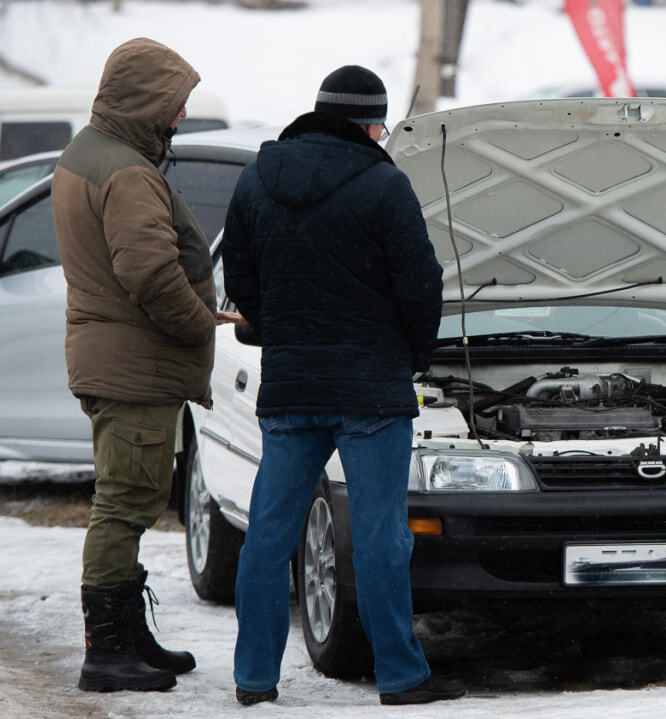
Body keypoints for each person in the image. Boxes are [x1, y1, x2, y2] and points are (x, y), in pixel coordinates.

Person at [222, 65, 460, 707]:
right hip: (370, 393)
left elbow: (240, 281)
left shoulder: (255, 180)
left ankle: (254, 678)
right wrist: (410, 355)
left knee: (269, 535)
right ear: (370, 124)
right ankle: (403, 678)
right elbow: (420, 282)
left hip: (293, 386)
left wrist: (278, 328)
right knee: (382, 536)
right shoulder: (385, 185)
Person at [52, 37, 241, 692]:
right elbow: (150, 272)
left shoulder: (88, 152)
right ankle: (107, 648)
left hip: (115, 357)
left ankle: (129, 635)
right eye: (174, 104)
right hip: (134, 363)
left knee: (128, 495)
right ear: (145, 100)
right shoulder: (128, 171)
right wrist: (199, 322)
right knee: (125, 500)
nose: (180, 118)